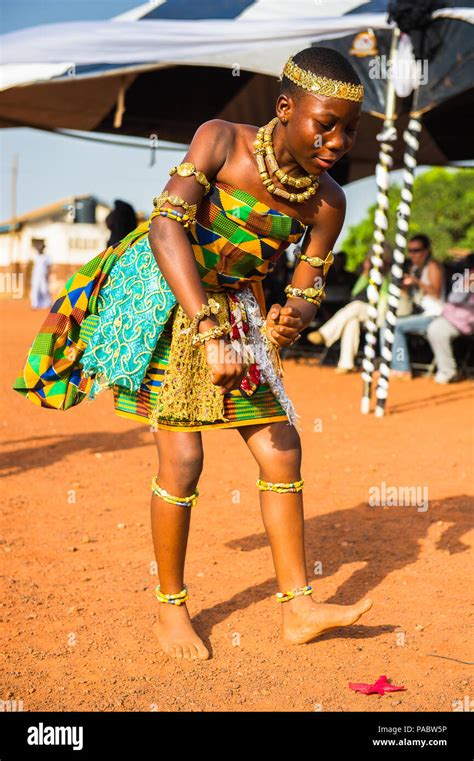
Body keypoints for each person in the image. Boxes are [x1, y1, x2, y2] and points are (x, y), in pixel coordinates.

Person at [13, 47, 372, 660]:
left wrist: (294, 318)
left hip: (236, 308)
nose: (337, 142)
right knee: (183, 460)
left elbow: (309, 280)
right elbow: (165, 226)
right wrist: (207, 329)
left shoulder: (328, 201)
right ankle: (170, 608)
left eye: (348, 130)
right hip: (170, 293)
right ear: (285, 109)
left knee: (283, 450)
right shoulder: (221, 140)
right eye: (325, 124)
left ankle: (298, 608)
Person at [307, 245, 396, 373]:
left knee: (356, 306)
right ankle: (346, 364)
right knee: (351, 321)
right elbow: (355, 293)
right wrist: (366, 273)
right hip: (363, 313)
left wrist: (383, 274)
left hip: (380, 314)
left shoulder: (391, 274)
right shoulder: (371, 274)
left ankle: (325, 334)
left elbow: (385, 296)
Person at [383, 233, 445, 378]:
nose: (412, 254)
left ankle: (401, 368)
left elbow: (436, 292)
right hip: (419, 313)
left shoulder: (433, 266)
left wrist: (416, 281)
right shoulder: (415, 268)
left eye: (416, 250)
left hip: (434, 315)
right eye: (410, 251)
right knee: (387, 323)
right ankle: (390, 365)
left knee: (394, 326)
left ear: (426, 251)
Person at [426, 253, 474, 383]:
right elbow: (454, 298)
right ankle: (447, 371)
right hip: (455, 320)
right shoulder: (466, 278)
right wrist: (467, 283)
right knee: (435, 328)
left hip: (467, 321)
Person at [29, 239, 52, 309]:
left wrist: (47, 275)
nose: (40, 249)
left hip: (43, 275)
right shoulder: (35, 257)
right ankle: (35, 304)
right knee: (35, 289)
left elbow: (49, 267)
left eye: (41, 248)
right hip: (35, 275)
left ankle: (47, 303)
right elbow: (32, 267)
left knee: (44, 289)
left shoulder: (46, 257)